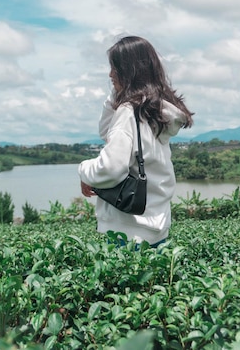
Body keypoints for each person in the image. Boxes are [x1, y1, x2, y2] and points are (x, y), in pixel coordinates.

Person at [78, 35, 193, 247]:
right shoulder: (155, 111)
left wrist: (84, 170)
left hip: (127, 232)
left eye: (115, 68)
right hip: (156, 228)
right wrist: (118, 92)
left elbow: (111, 169)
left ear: (128, 71)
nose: (110, 74)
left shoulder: (129, 112)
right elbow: (107, 131)